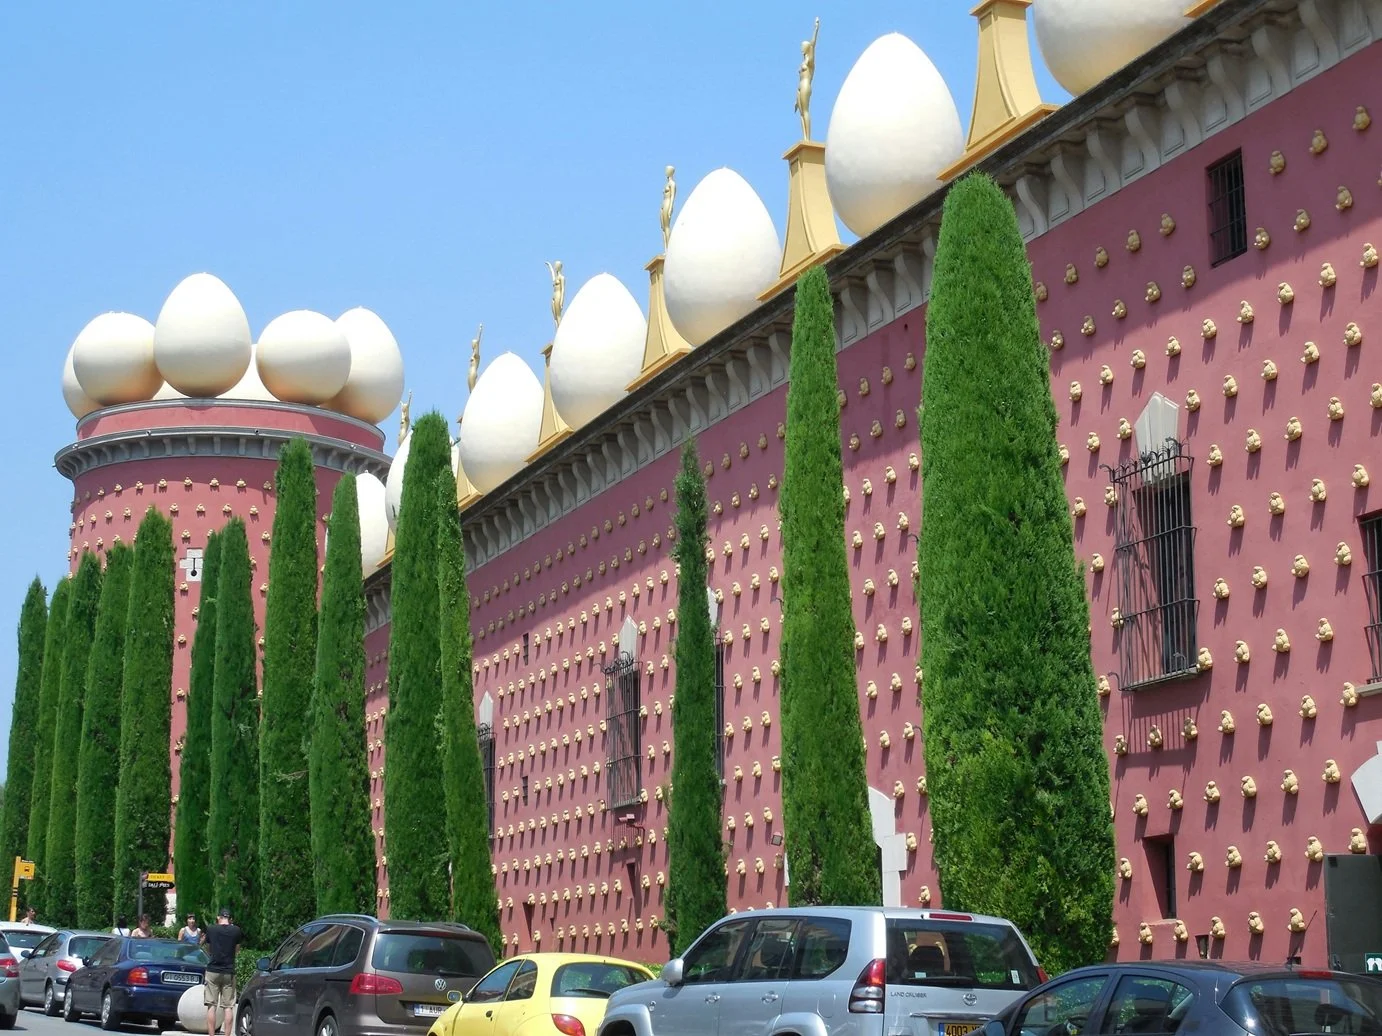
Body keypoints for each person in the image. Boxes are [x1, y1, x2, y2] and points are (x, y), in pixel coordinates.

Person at [201, 908, 243, 1036]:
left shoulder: (211, 929)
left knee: (211, 1005)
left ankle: (212, 1034)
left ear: (218, 917)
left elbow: (208, 949)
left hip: (213, 970)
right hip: (228, 971)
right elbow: (237, 950)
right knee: (229, 1006)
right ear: (230, 919)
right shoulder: (236, 931)